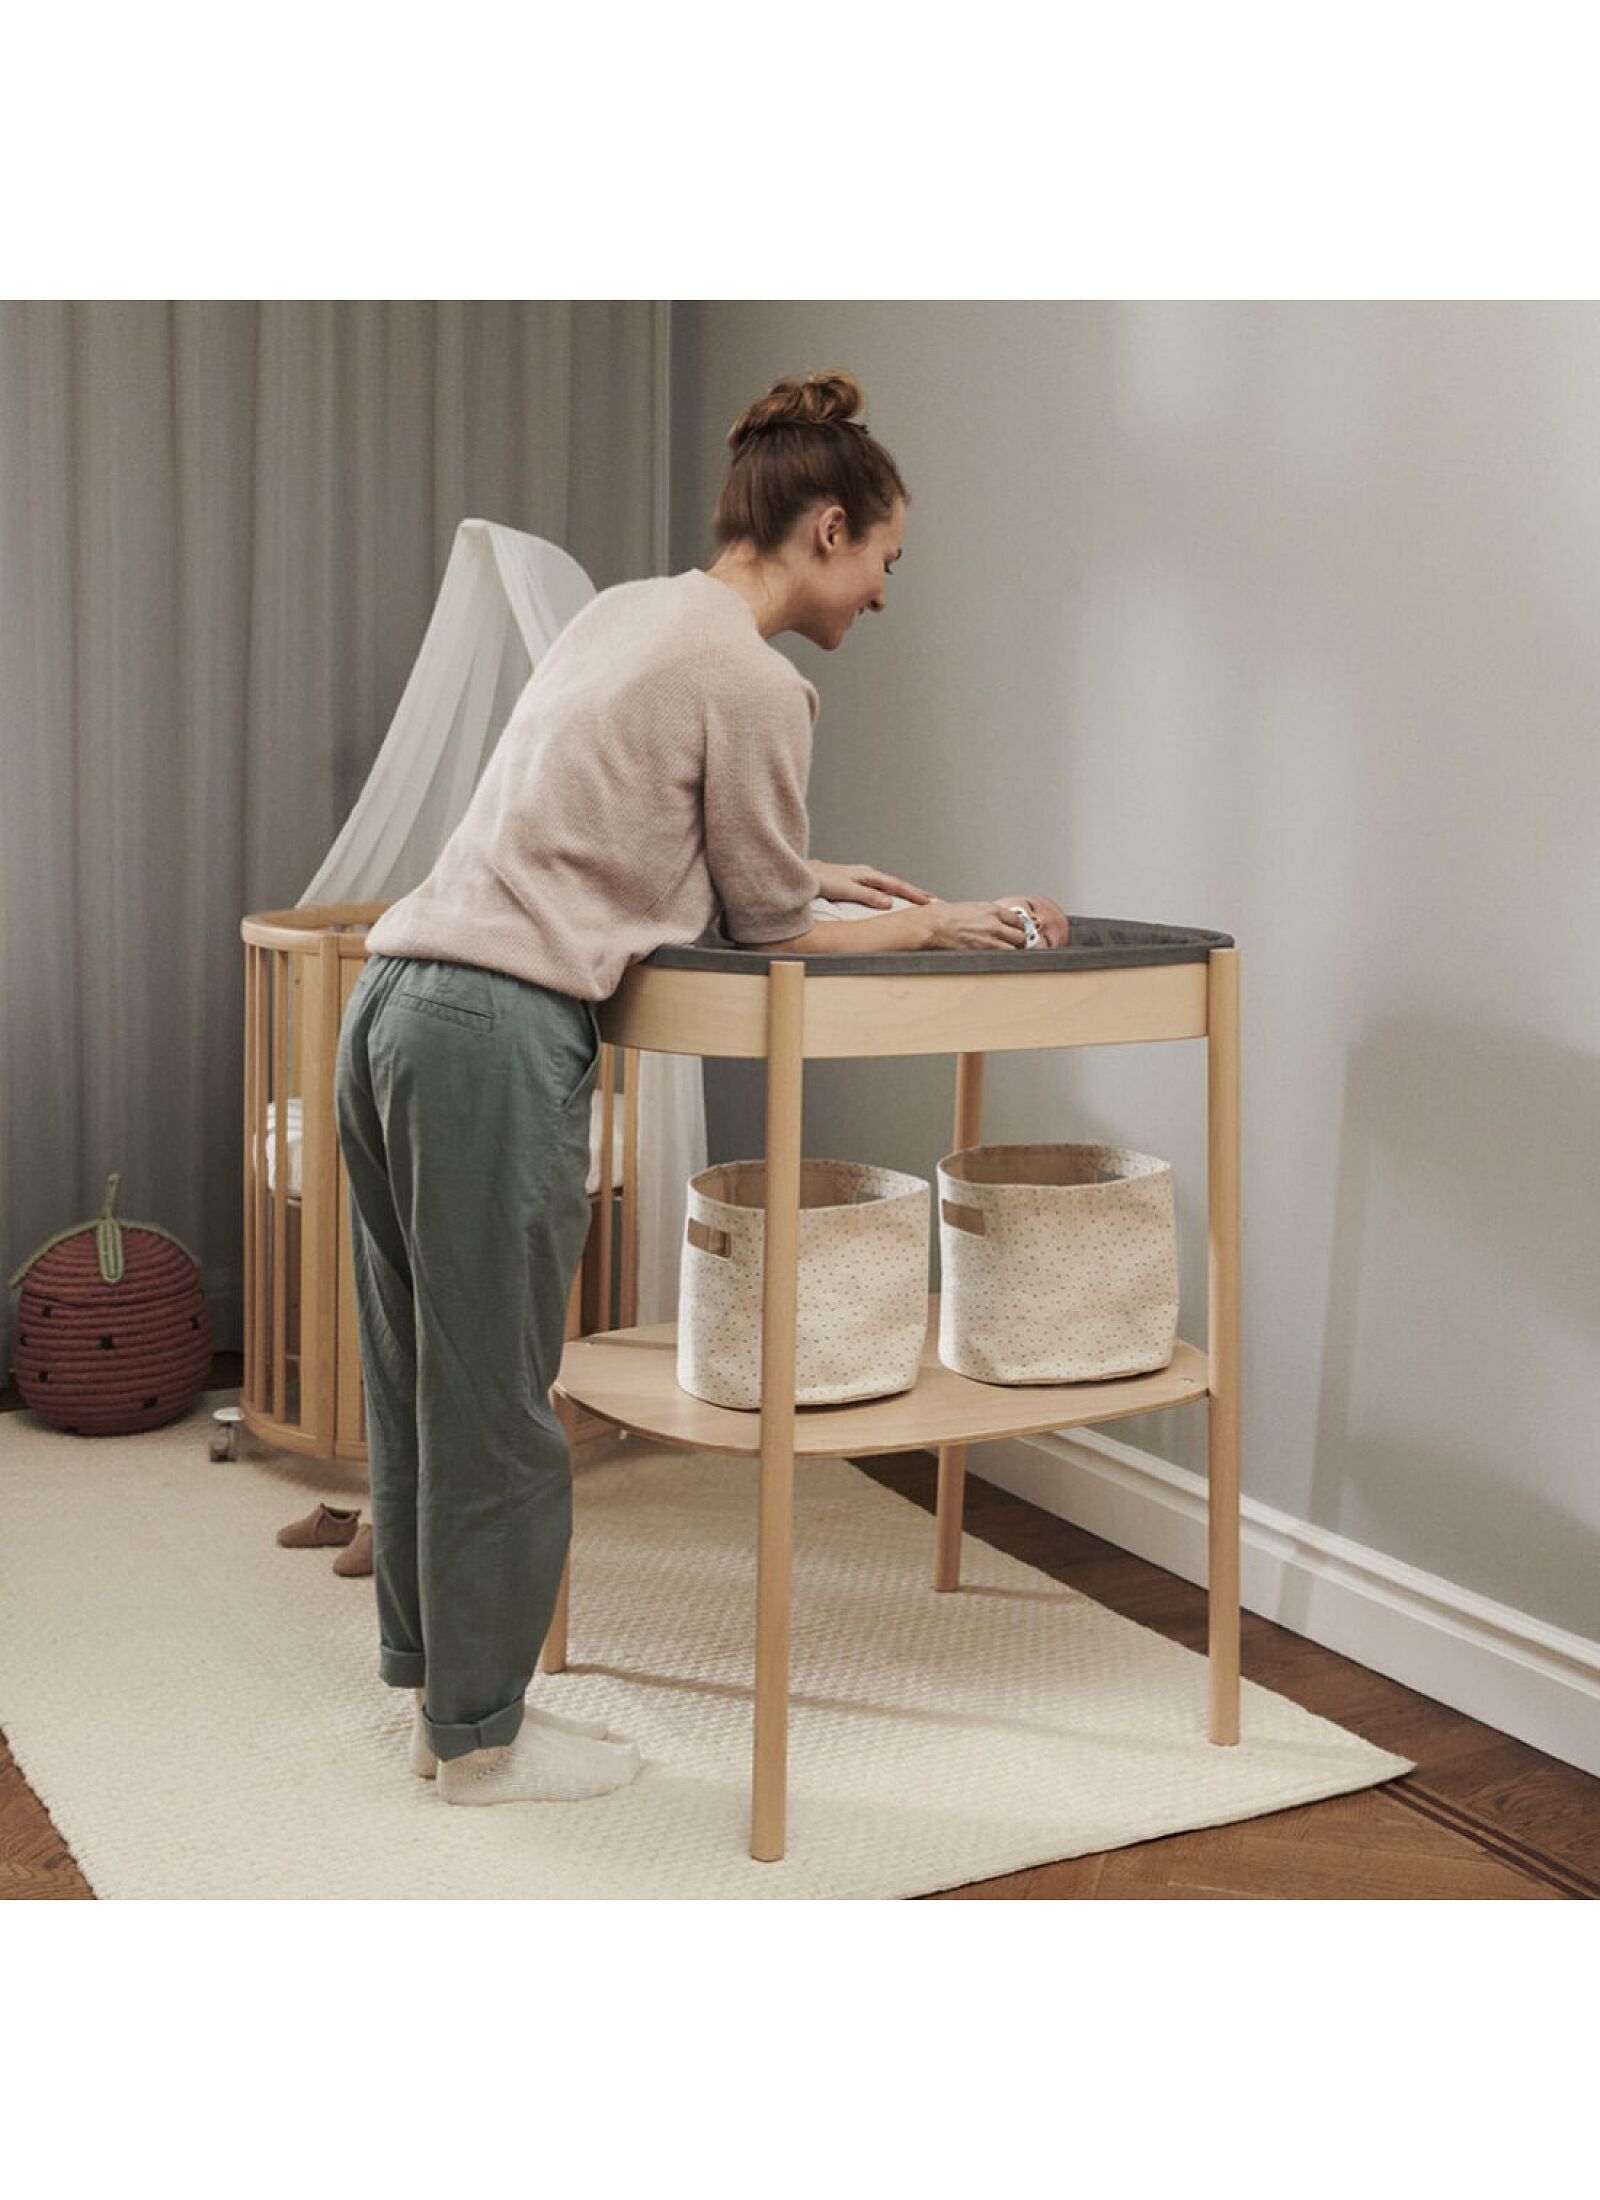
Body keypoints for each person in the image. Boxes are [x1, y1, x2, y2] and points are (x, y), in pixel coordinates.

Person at [333, 369, 1068, 1808]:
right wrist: (931, 918)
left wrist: (809, 873)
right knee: (498, 1404)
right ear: (829, 529)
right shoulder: (762, 681)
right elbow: (774, 934)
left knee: (425, 1384)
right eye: (885, 565)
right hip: (494, 1028)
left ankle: (441, 1698)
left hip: (393, 998)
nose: (879, 598)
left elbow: (645, 843)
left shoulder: (628, 614)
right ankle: (483, 1745)